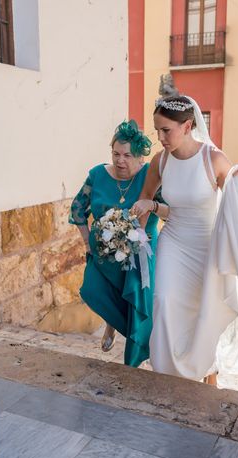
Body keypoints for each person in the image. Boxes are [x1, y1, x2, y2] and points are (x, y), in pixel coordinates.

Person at [132, 95, 238, 384]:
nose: (160, 137)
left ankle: (205, 369)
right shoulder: (160, 161)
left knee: (202, 311)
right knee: (165, 300)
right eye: (157, 130)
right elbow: (146, 197)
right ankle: (167, 373)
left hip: (206, 246)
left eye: (166, 130)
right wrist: (137, 238)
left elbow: (235, 195)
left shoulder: (212, 158)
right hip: (174, 241)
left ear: (188, 125)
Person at [69, 120, 165, 367]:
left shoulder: (150, 175)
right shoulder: (97, 175)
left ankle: (132, 362)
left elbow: (169, 209)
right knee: (93, 289)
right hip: (105, 254)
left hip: (140, 254)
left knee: (135, 304)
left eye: (127, 155)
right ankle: (110, 324)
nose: (120, 160)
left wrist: (153, 209)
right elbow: (78, 208)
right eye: (116, 154)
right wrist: (87, 242)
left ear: (141, 158)